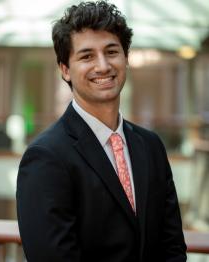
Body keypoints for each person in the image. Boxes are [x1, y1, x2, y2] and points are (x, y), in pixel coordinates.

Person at [16, 1, 187, 261]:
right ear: (65, 70)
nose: (103, 66)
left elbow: (172, 247)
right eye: (86, 56)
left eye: (112, 51)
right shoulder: (46, 157)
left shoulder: (151, 146)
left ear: (126, 58)